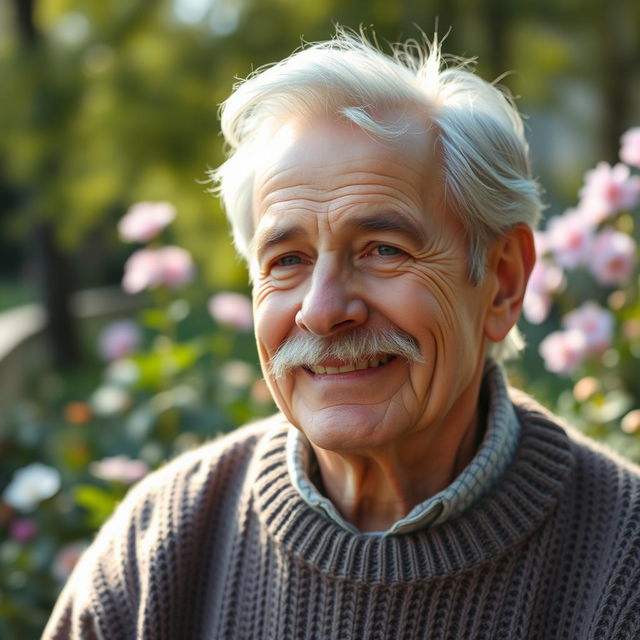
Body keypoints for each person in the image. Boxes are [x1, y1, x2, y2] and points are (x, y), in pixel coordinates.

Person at [44, 30, 640, 639]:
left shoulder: (622, 565)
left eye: (384, 249)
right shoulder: (158, 549)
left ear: (503, 281)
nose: (322, 310)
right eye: (287, 261)